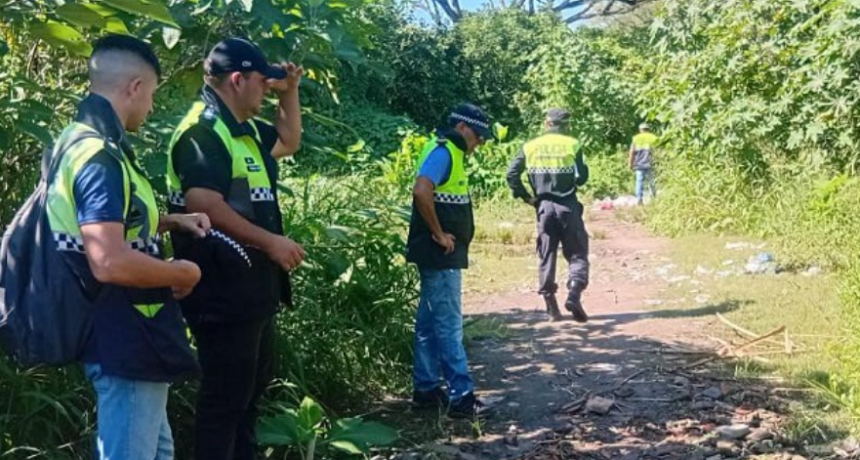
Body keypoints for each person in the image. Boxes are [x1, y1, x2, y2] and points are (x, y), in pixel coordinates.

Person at [45, 34, 207, 460]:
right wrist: (182, 273)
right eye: (151, 95)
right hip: (126, 330)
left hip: (123, 329)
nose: (151, 107)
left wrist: (171, 221)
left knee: (158, 449)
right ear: (134, 87)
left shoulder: (74, 140)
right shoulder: (100, 157)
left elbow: (99, 225)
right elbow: (109, 260)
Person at [165, 37, 304, 460]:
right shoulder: (204, 131)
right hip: (222, 292)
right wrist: (272, 243)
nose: (267, 91)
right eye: (262, 83)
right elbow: (204, 205)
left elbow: (289, 139)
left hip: (252, 290)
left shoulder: (241, 130)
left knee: (247, 401)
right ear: (238, 79)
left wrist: (290, 89)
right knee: (224, 405)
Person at [406, 103, 493, 419]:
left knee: (429, 324)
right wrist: (440, 234)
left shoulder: (449, 153)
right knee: (448, 324)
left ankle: (426, 390)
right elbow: (421, 190)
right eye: (478, 135)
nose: (480, 143)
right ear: (462, 128)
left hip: (439, 255)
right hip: (441, 255)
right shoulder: (444, 152)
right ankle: (462, 397)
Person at [506, 108, 589, 323]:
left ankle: (551, 307)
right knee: (577, 252)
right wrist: (574, 182)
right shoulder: (573, 144)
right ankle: (574, 294)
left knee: (546, 254)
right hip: (568, 207)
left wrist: (526, 197)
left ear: (546, 124)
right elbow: (582, 177)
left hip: (544, 208)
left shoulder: (530, 147)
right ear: (567, 125)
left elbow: (511, 174)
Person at [628, 123, 658, 205]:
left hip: (639, 164)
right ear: (648, 129)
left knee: (639, 182)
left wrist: (630, 163)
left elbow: (632, 152)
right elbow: (658, 151)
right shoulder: (653, 137)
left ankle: (639, 200)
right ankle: (654, 199)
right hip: (650, 163)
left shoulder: (636, 138)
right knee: (652, 182)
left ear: (640, 129)